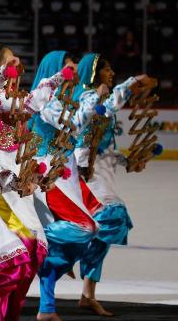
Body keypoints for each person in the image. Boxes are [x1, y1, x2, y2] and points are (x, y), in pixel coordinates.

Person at [0, 44, 67, 321]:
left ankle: (0, 310)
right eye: (11, 64)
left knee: (36, 249)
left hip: (19, 187)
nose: (18, 71)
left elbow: (20, 149)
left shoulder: (13, 103)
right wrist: (58, 77)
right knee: (18, 252)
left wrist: (37, 177)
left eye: (19, 65)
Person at [29, 51, 107, 321]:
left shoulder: (66, 98)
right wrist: (94, 97)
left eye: (72, 67)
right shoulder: (45, 100)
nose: (71, 71)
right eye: (66, 67)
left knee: (94, 228)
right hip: (48, 173)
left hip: (67, 170)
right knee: (85, 227)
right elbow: (71, 123)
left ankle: (46, 308)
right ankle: (40, 244)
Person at [73, 53, 147, 316]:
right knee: (112, 216)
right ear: (94, 74)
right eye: (107, 69)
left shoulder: (101, 98)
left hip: (102, 172)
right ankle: (66, 263)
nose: (111, 72)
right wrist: (129, 84)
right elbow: (91, 119)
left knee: (100, 232)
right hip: (86, 172)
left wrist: (126, 162)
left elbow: (105, 146)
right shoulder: (87, 98)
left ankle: (87, 293)